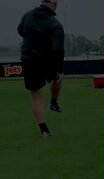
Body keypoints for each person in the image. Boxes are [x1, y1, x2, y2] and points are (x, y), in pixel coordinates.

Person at [18, 0, 64, 137]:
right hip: (46, 59)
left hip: (28, 59)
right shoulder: (55, 24)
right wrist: (59, 68)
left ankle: (44, 130)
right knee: (58, 78)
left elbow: (20, 30)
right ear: (54, 5)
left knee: (36, 94)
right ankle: (54, 102)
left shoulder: (27, 16)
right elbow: (58, 50)